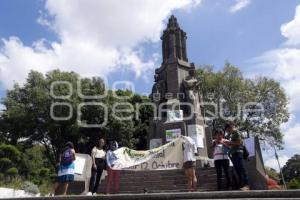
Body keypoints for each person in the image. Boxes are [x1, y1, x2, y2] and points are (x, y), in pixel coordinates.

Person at [224, 122, 250, 191]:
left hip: (238, 153)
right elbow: (234, 144)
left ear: (231, 127)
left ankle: (246, 185)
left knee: (242, 169)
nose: (228, 132)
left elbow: (239, 143)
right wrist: (229, 144)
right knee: (238, 170)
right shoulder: (232, 134)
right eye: (227, 131)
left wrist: (229, 143)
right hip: (234, 153)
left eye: (228, 130)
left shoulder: (237, 133)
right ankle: (242, 185)